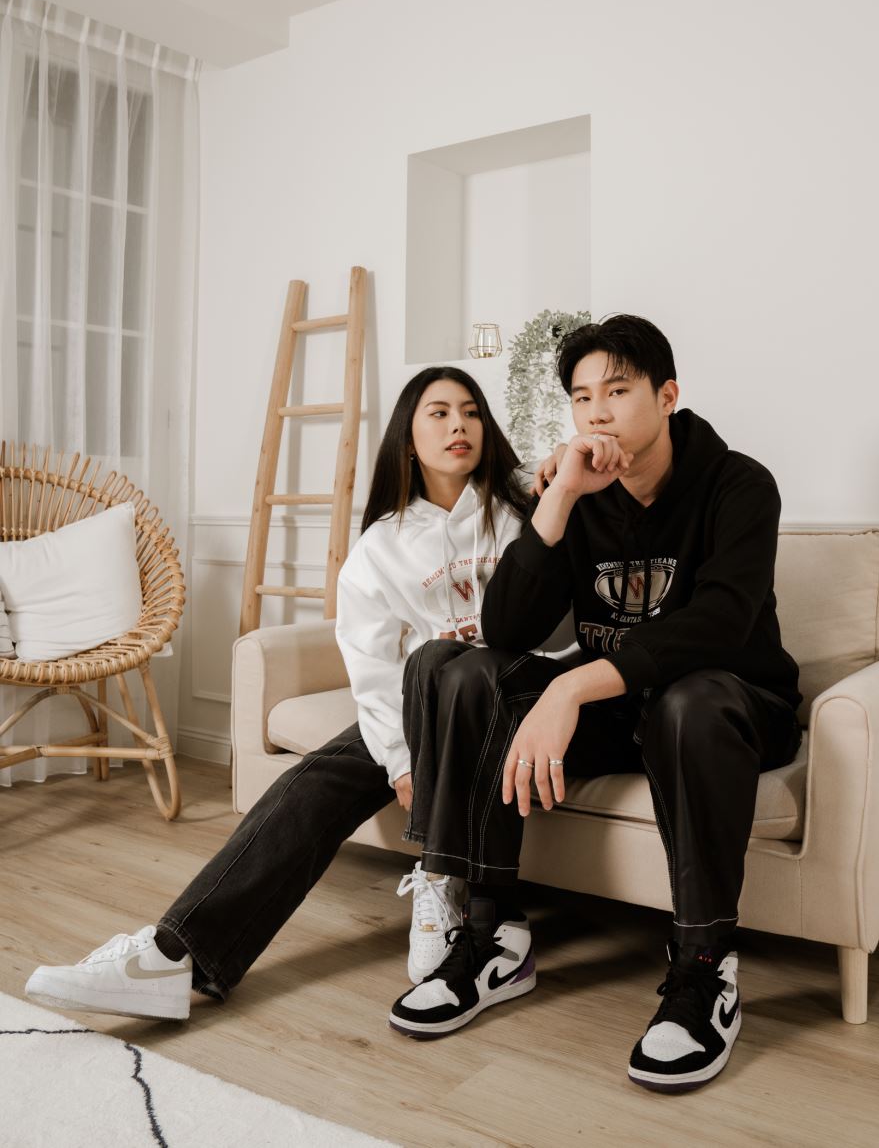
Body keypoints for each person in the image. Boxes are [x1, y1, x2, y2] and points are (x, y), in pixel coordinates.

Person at [24, 366, 531, 1019]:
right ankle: (172, 955)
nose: (459, 425)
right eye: (439, 412)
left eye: (471, 411)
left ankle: (446, 881)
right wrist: (402, 760)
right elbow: (373, 667)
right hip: (422, 707)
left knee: (444, 678)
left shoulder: (519, 512)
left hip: (504, 702)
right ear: (407, 439)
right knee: (314, 780)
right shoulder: (381, 546)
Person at [386, 315, 802, 1094]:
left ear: (667, 395)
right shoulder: (579, 492)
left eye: (617, 391)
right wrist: (561, 499)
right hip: (623, 709)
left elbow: (719, 624)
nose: (597, 412)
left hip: (728, 706)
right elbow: (507, 629)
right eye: (581, 397)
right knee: (462, 671)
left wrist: (572, 685)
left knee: (686, 701)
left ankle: (704, 966)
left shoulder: (740, 484)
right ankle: (492, 937)